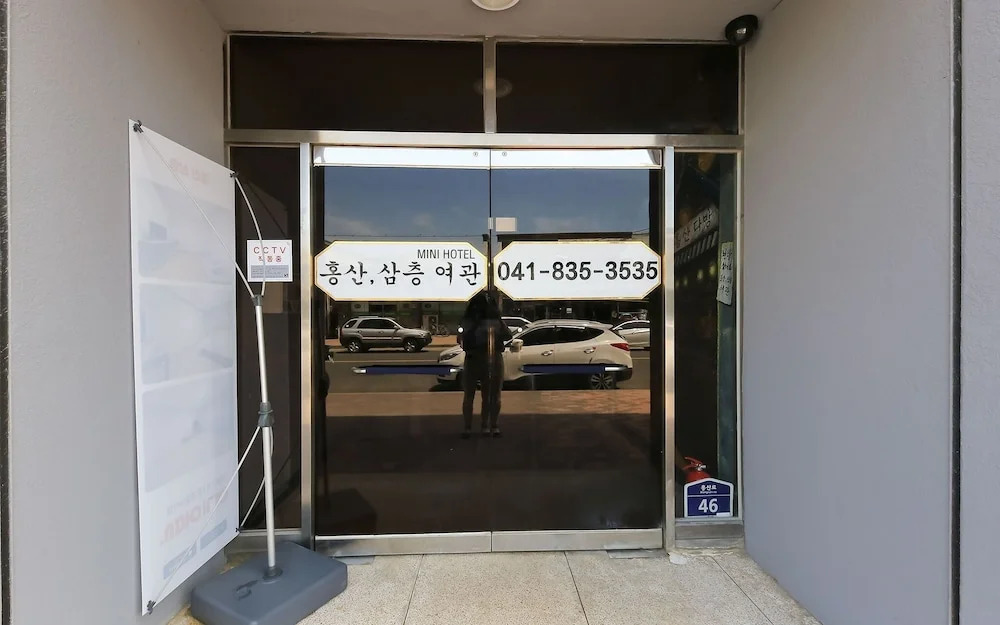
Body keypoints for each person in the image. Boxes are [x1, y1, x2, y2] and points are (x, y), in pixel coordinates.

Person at [457, 291, 511, 438]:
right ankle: (490, 426)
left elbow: (461, 340)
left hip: (473, 358)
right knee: (491, 395)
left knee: (469, 395)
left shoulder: (467, 321)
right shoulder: (495, 321)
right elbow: (508, 335)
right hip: (493, 358)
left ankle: (468, 427)